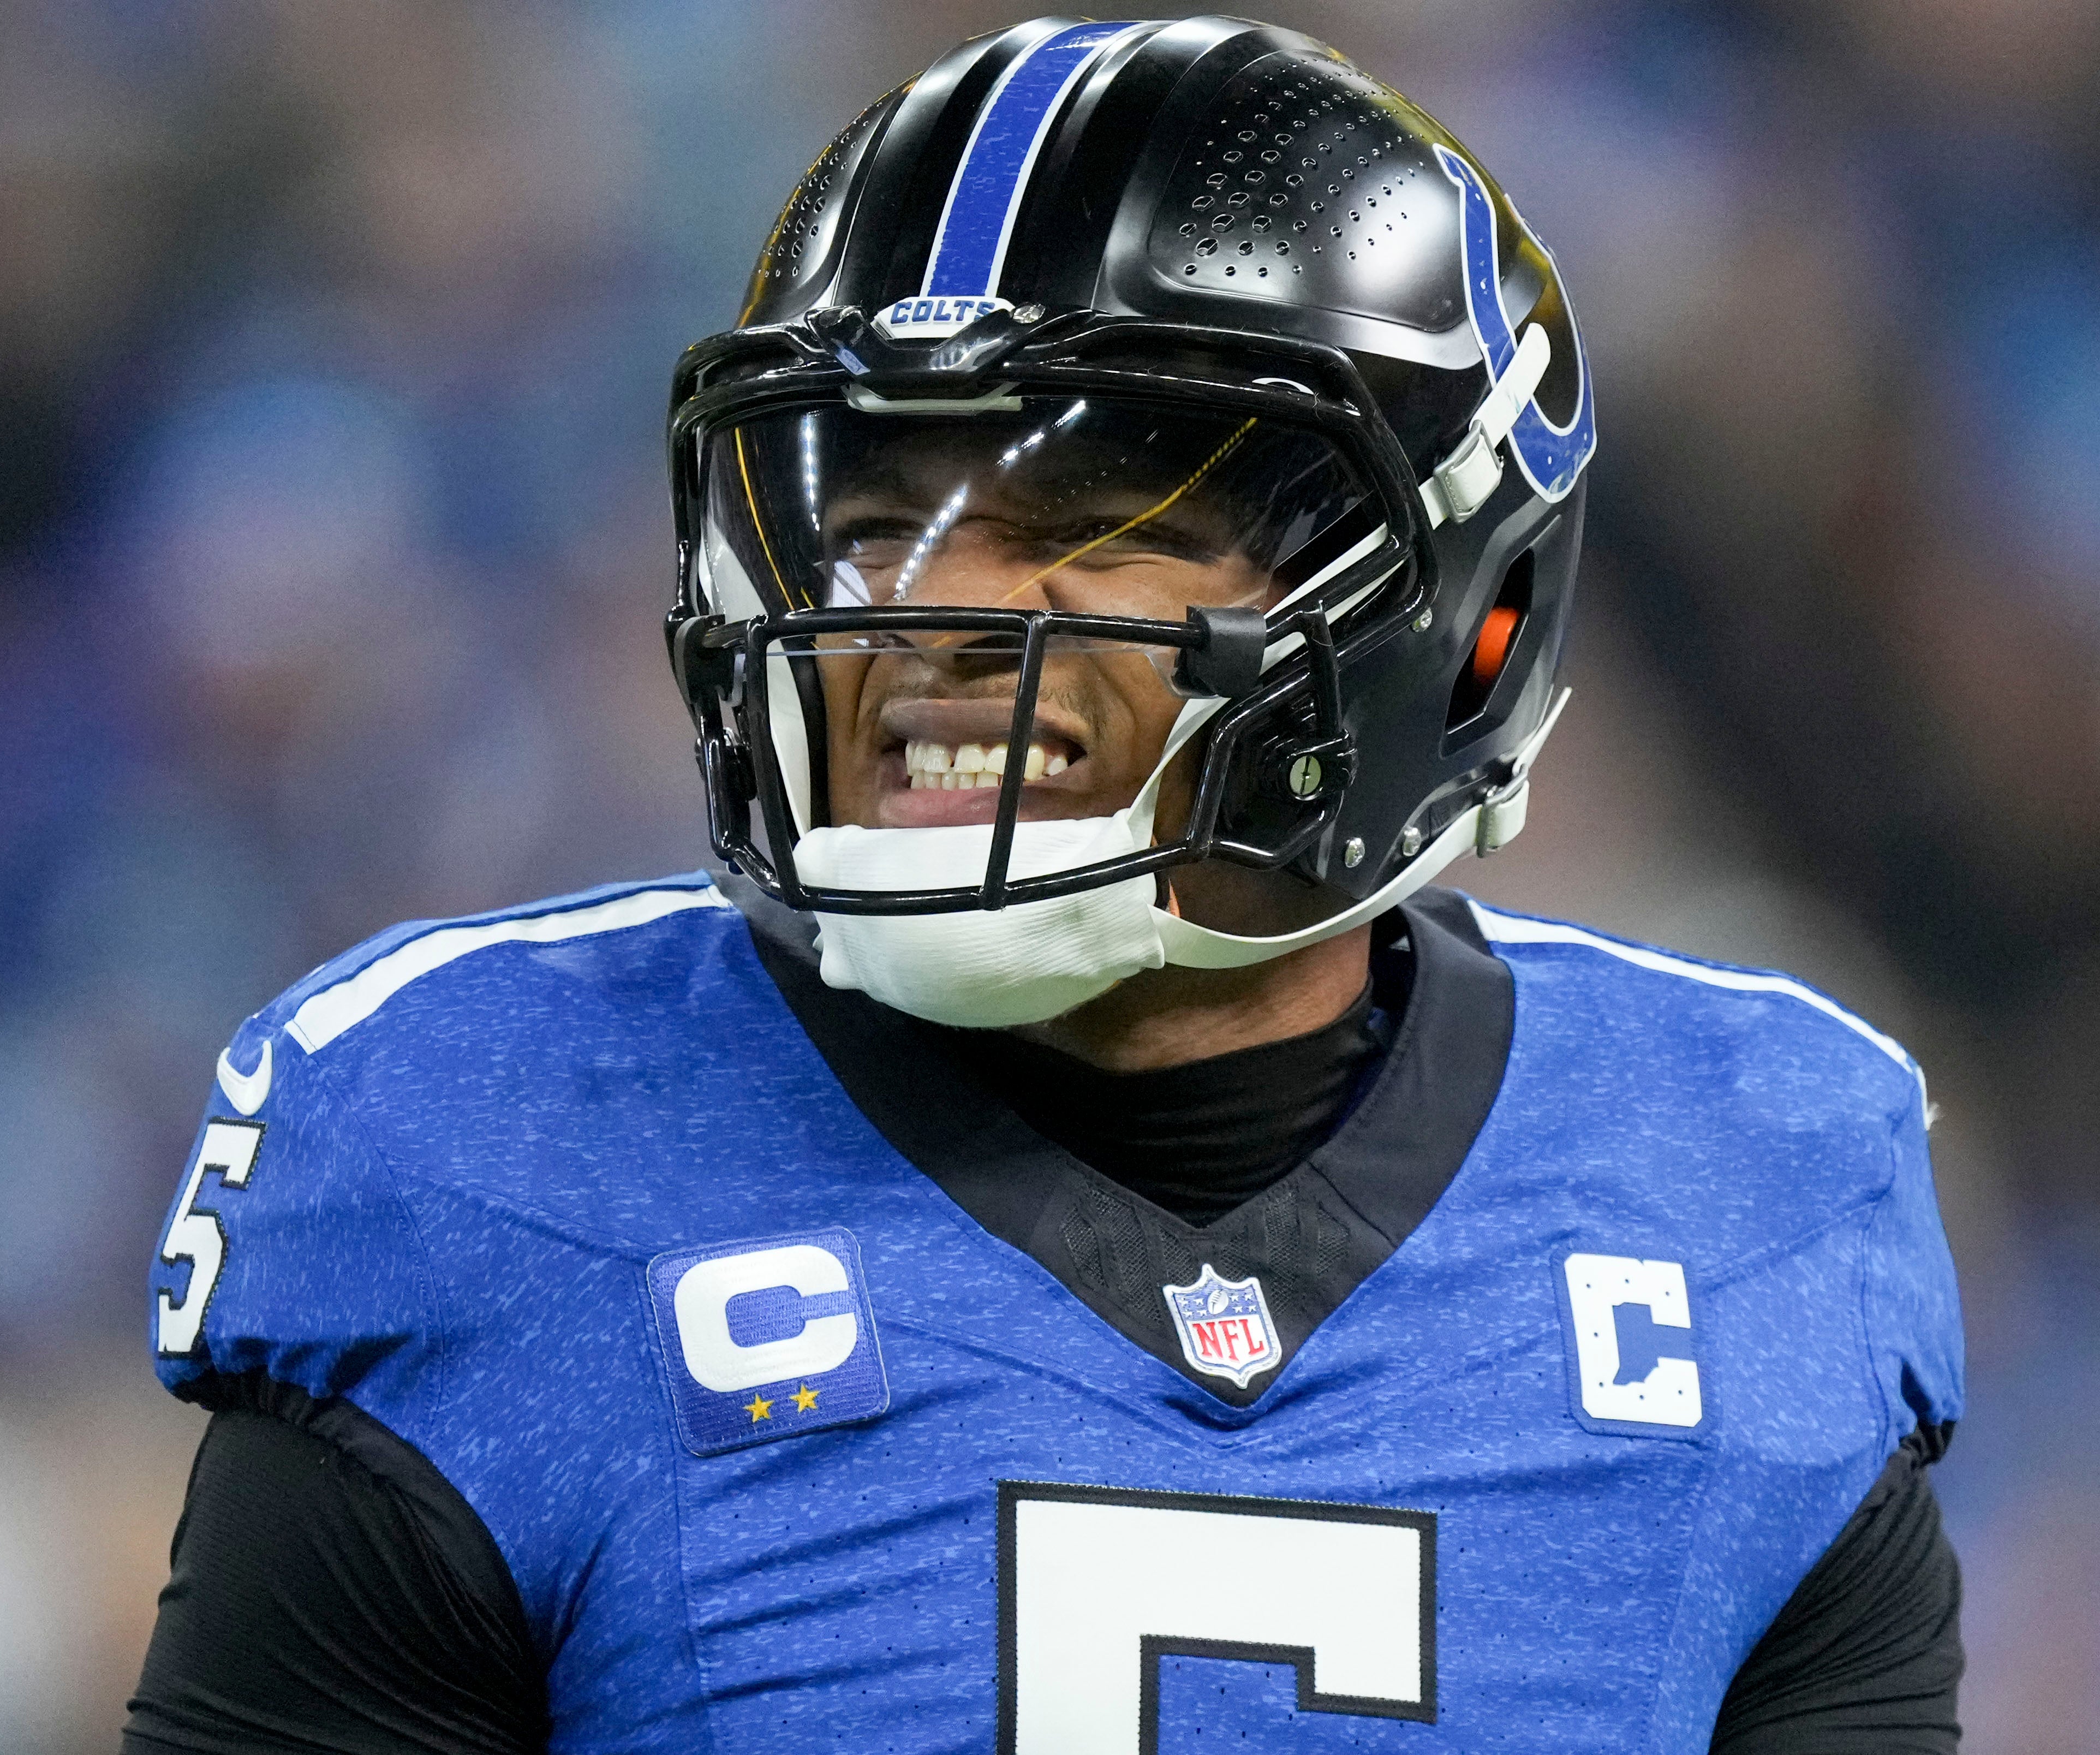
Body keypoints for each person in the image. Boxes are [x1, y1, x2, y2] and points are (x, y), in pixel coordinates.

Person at [124, 17, 1965, 1753]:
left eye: (1095, 527)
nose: (922, 611)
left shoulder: (1759, 1192)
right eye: (864, 526)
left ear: (1460, 631)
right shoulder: (483, 1140)